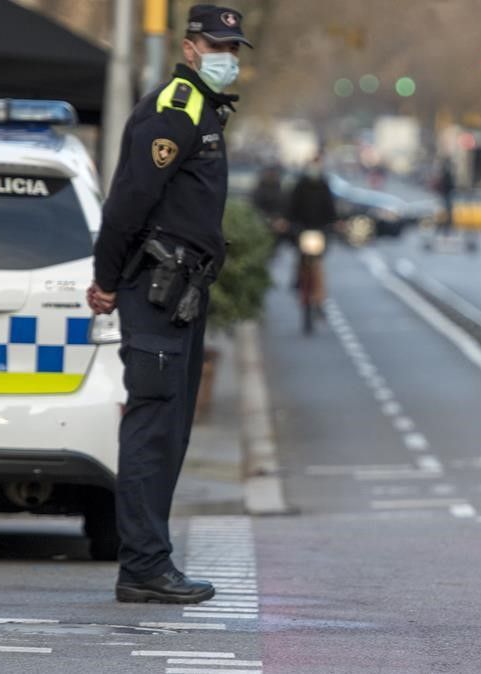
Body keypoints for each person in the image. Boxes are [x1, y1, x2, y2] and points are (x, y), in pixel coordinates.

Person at [87, 4, 252, 604]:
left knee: (172, 430)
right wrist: (105, 280)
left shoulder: (204, 111)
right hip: (155, 291)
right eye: (216, 47)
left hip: (180, 295)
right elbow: (127, 203)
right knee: (154, 430)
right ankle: (144, 566)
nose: (225, 59)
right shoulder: (174, 110)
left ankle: (152, 561)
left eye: (233, 50)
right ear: (189, 48)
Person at [286, 153, 337, 314]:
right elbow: (291, 206)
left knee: (318, 265)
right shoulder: (300, 185)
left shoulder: (324, 185)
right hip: (303, 230)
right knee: (300, 258)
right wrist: (287, 222)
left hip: (319, 231)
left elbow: (331, 208)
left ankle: (319, 298)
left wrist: (335, 222)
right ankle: (297, 281)